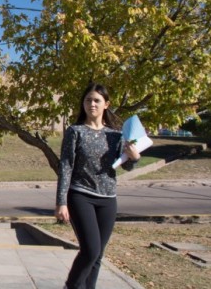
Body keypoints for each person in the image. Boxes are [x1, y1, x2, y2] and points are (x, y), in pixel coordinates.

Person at [55, 83, 140, 289]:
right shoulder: (75, 131)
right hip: (81, 195)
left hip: (108, 200)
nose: (91, 104)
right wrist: (61, 202)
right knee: (90, 251)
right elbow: (66, 166)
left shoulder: (116, 135)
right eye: (88, 100)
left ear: (106, 105)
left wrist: (134, 157)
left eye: (96, 100)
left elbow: (126, 166)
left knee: (98, 256)